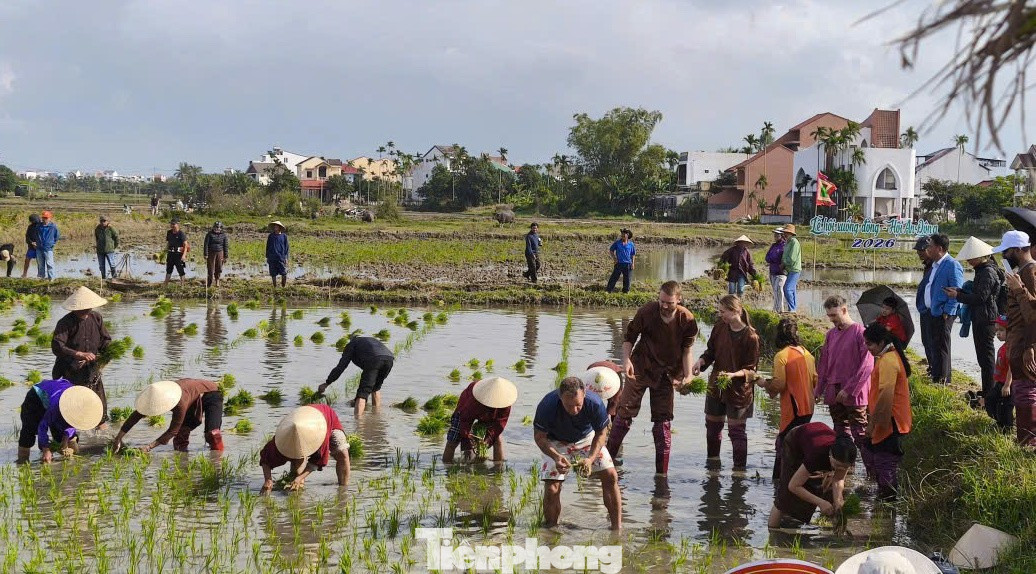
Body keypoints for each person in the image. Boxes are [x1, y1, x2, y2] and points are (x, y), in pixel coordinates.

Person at [607, 281, 698, 476]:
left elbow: (687, 351)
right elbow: (629, 339)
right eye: (661, 301)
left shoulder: (687, 320)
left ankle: (661, 475)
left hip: (667, 373)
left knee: (663, 422)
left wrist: (688, 375)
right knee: (624, 414)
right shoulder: (647, 312)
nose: (664, 306)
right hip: (640, 367)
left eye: (669, 303)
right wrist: (626, 360)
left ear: (679, 300)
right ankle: (606, 463)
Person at [534, 377, 621, 530]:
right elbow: (539, 437)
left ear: (584, 394)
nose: (574, 410)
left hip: (586, 438)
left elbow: (601, 433)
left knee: (611, 475)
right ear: (560, 398)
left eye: (578, 405)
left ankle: (616, 528)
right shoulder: (547, 405)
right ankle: (551, 529)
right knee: (552, 487)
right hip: (555, 442)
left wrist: (591, 459)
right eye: (569, 406)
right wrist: (556, 457)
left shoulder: (594, 403)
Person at [692, 294, 761, 471]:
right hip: (717, 385)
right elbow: (711, 352)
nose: (720, 315)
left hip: (739, 391)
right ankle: (713, 465)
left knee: (736, 432)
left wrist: (733, 375)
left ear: (736, 311)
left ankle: (739, 472)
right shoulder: (719, 327)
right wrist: (701, 361)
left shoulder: (750, 337)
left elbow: (751, 370)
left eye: (723, 312)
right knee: (712, 428)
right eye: (720, 311)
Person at [815, 295, 875, 476]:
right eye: (829, 316)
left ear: (844, 310)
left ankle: (872, 473)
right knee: (840, 433)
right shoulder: (830, 335)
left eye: (834, 315)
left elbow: (867, 365)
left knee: (860, 433)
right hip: (833, 390)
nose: (831, 319)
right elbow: (824, 365)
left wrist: (849, 389)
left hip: (855, 393)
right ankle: (845, 469)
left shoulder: (860, 332)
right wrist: (818, 390)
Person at [756, 318, 816, 480]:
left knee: (784, 444)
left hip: (794, 408)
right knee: (799, 444)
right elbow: (815, 380)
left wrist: (763, 382)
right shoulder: (807, 354)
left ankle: (780, 482)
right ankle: (797, 481)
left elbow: (779, 384)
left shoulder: (782, 355)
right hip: (808, 407)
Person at [766, 422, 857, 528]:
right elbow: (793, 486)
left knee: (827, 490)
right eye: (836, 465)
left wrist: (838, 502)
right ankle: (773, 531)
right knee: (784, 496)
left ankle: (835, 531)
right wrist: (820, 502)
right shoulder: (817, 455)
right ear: (830, 455)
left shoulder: (847, 456)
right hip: (795, 442)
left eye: (844, 467)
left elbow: (838, 480)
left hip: (813, 439)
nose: (839, 469)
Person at [862, 323, 913, 501]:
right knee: (873, 454)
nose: (867, 348)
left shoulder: (888, 362)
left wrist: (872, 425)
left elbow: (885, 396)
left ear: (881, 342)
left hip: (891, 420)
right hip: (888, 419)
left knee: (885, 462)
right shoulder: (887, 358)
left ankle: (888, 504)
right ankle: (882, 497)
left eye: (870, 344)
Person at [945, 237, 1000, 404]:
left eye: (970, 257)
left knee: (987, 359)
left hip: (986, 319)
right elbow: (978, 295)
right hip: (982, 317)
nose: (968, 261)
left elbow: (980, 298)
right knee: (983, 358)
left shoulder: (987, 272)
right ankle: (987, 391)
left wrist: (958, 295)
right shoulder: (982, 270)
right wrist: (960, 291)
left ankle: (989, 395)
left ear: (980, 256)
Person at [994, 230, 1036, 446]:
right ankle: (1025, 440)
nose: (1004, 256)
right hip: (1019, 343)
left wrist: (1030, 346)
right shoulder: (1022, 272)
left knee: (1026, 392)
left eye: (1007, 251)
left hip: (1025, 345)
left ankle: (1028, 442)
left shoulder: (1030, 272)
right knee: (1022, 392)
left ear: (1019, 250)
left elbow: (1033, 316)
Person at [51, 286, 112, 426]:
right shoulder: (65, 323)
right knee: (72, 406)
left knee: (97, 404)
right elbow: (57, 346)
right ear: (74, 308)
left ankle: (100, 427)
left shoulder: (96, 318)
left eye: (88, 308)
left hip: (91, 368)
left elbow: (105, 340)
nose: (86, 311)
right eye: (82, 309)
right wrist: (78, 354)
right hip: (70, 369)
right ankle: (70, 431)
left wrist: (107, 355)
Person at [111, 379, 225, 453]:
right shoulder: (156, 396)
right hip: (192, 396)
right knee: (181, 436)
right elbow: (135, 417)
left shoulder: (179, 403)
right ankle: (182, 458)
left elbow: (172, 430)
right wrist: (118, 438)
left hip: (211, 393)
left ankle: (216, 460)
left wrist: (149, 447)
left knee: (212, 433)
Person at [260, 405, 350, 493]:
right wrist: (268, 480)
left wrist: (300, 477)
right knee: (297, 463)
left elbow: (317, 461)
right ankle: (297, 493)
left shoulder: (320, 436)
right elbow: (265, 459)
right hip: (302, 418)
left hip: (327, 420)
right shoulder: (281, 440)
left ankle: (343, 490)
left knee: (343, 454)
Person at [16, 380, 102, 464]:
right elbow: (42, 426)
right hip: (37, 397)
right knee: (29, 432)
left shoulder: (80, 405)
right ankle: (22, 462)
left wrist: (65, 439)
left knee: (63, 436)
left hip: (58, 397)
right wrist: (45, 449)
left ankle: (72, 463)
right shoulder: (56, 406)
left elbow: (72, 423)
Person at [442, 377, 517, 463]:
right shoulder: (475, 397)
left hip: (488, 414)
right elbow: (465, 420)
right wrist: (468, 440)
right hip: (466, 409)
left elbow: (499, 425)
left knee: (497, 440)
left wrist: (487, 441)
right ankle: (447, 466)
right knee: (453, 441)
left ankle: (498, 468)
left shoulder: (505, 403)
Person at [318, 335, 394, 417]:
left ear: (351, 340)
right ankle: (376, 416)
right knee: (376, 388)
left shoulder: (352, 345)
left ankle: (358, 421)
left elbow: (341, 367)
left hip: (374, 360)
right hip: (389, 359)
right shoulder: (368, 340)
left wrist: (327, 383)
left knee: (362, 393)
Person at [924, 233, 964, 385]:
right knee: (935, 344)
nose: (928, 249)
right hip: (934, 310)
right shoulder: (936, 265)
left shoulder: (952, 264)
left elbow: (957, 289)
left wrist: (948, 311)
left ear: (939, 248)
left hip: (944, 313)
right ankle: (936, 375)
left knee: (942, 345)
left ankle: (944, 379)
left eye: (930, 246)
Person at [913, 236, 936, 377]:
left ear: (930, 249)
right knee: (926, 339)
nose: (919, 253)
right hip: (925, 308)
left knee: (932, 340)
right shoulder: (928, 266)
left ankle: (935, 368)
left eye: (922, 250)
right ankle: (932, 366)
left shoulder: (935, 266)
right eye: (918, 250)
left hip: (932, 309)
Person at [988, 315, 1014, 432]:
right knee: (991, 400)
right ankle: (999, 422)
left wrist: (1007, 385)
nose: (998, 333)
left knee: (1005, 407)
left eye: (1002, 330)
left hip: (1008, 384)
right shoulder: (1004, 347)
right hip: (1000, 382)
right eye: (996, 330)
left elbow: (1012, 368)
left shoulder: (1011, 348)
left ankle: (1007, 429)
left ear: (1010, 331)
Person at [606, 228, 636, 294]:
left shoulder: (631, 244)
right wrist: (615, 258)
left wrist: (633, 263)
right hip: (619, 263)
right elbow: (611, 250)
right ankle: (608, 291)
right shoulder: (617, 243)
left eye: (624, 235)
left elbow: (633, 254)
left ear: (627, 235)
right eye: (621, 235)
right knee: (614, 278)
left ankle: (625, 292)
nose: (622, 236)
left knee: (627, 279)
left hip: (628, 264)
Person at [765, 228, 787, 312]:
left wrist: (773, 259)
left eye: (777, 235)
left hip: (781, 272)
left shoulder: (785, 245)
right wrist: (773, 259)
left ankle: (780, 309)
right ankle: (775, 308)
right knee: (775, 291)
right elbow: (767, 257)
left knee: (779, 289)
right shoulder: (773, 245)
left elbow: (781, 258)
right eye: (775, 235)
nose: (775, 236)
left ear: (782, 235)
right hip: (772, 271)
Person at [781, 225, 802, 312]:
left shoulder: (794, 242)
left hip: (794, 269)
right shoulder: (787, 242)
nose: (785, 234)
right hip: (789, 270)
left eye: (787, 233)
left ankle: (792, 309)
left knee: (787, 289)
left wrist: (784, 263)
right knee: (792, 290)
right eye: (784, 233)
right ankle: (793, 309)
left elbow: (792, 259)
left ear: (791, 233)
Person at [203, 221, 229, 289]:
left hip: (220, 252)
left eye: (218, 227)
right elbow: (206, 244)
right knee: (211, 268)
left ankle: (217, 280)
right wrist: (205, 254)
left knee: (219, 267)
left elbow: (226, 246)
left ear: (221, 228)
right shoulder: (209, 234)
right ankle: (209, 282)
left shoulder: (224, 235)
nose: (217, 228)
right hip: (211, 253)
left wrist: (226, 256)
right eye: (216, 227)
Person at [163, 219, 188, 287]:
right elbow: (168, 243)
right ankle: (165, 285)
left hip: (178, 255)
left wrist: (184, 255)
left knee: (180, 270)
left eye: (174, 224)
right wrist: (164, 251)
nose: (172, 225)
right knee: (168, 270)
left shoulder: (181, 234)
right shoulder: (169, 232)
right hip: (170, 254)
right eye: (171, 224)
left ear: (177, 224)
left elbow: (185, 245)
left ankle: (182, 286)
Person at [36, 210, 60, 280]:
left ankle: (51, 279)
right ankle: (41, 278)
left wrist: (52, 243)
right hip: (39, 248)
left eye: (46, 218)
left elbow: (57, 236)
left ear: (50, 218)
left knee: (50, 264)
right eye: (43, 218)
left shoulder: (53, 227)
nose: (44, 219)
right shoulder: (38, 226)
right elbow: (35, 235)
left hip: (48, 248)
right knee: (40, 264)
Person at [94, 215, 119, 281]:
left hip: (109, 250)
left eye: (104, 221)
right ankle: (103, 278)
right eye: (101, 221)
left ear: (107, 221)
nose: (103, 222)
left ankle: (114, 278)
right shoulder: (97, 229)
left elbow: (116, 238)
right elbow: (97, 238)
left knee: (112, 264)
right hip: (100, 250)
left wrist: (113, 247)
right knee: (101, 265)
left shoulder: (111, 229)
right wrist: (97, 245)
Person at [266, 221, 289, 289]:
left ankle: (283, 286)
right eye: (275, 226)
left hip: (281, 257)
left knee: (284, 273)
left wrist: (286, 258)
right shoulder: (271, 236)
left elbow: (286, 248)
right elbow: (268, 247)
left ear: (280, 227)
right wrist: (267, 257)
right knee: (273, 273)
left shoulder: (284, 236)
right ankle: (275, 287)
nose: (275, 227)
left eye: (277, 226)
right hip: (272, 257)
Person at [22, 213, 40, 278]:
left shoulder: (41, 226)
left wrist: (38, 244)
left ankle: (39, 274)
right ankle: (24, 274)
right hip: (31, 247)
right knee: (27, 260)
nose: (33, 222)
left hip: (39, 247)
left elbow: (43, 237)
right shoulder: (30, 227)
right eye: (32, 221)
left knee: (39, 261)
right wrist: (32, 243)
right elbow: (27, 237)